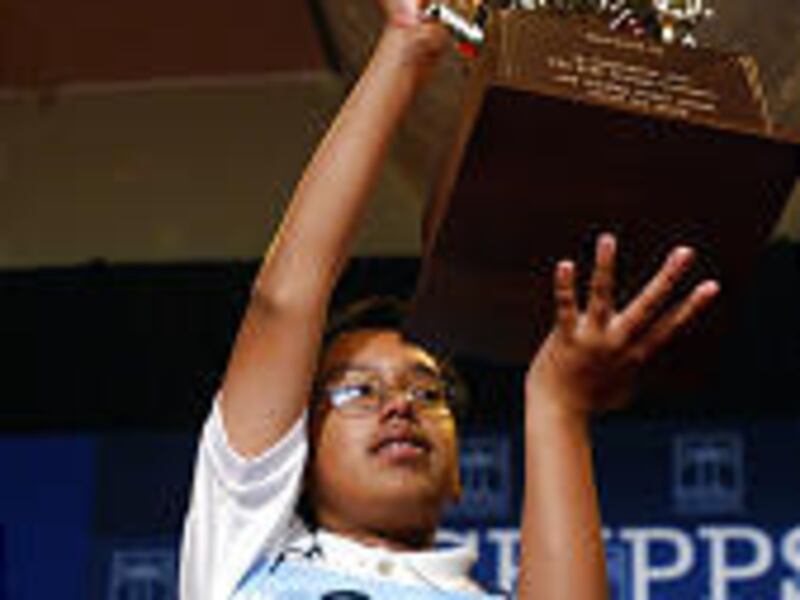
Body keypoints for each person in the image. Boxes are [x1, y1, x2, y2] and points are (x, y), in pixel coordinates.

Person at [178, 1, 720, 598]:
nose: (400, 407)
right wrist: (407, 48)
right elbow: (284, 303)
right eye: (358, 389)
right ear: (297, 454)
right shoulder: (240, 546)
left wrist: (558, 403)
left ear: (462, 473)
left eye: (427, 392)